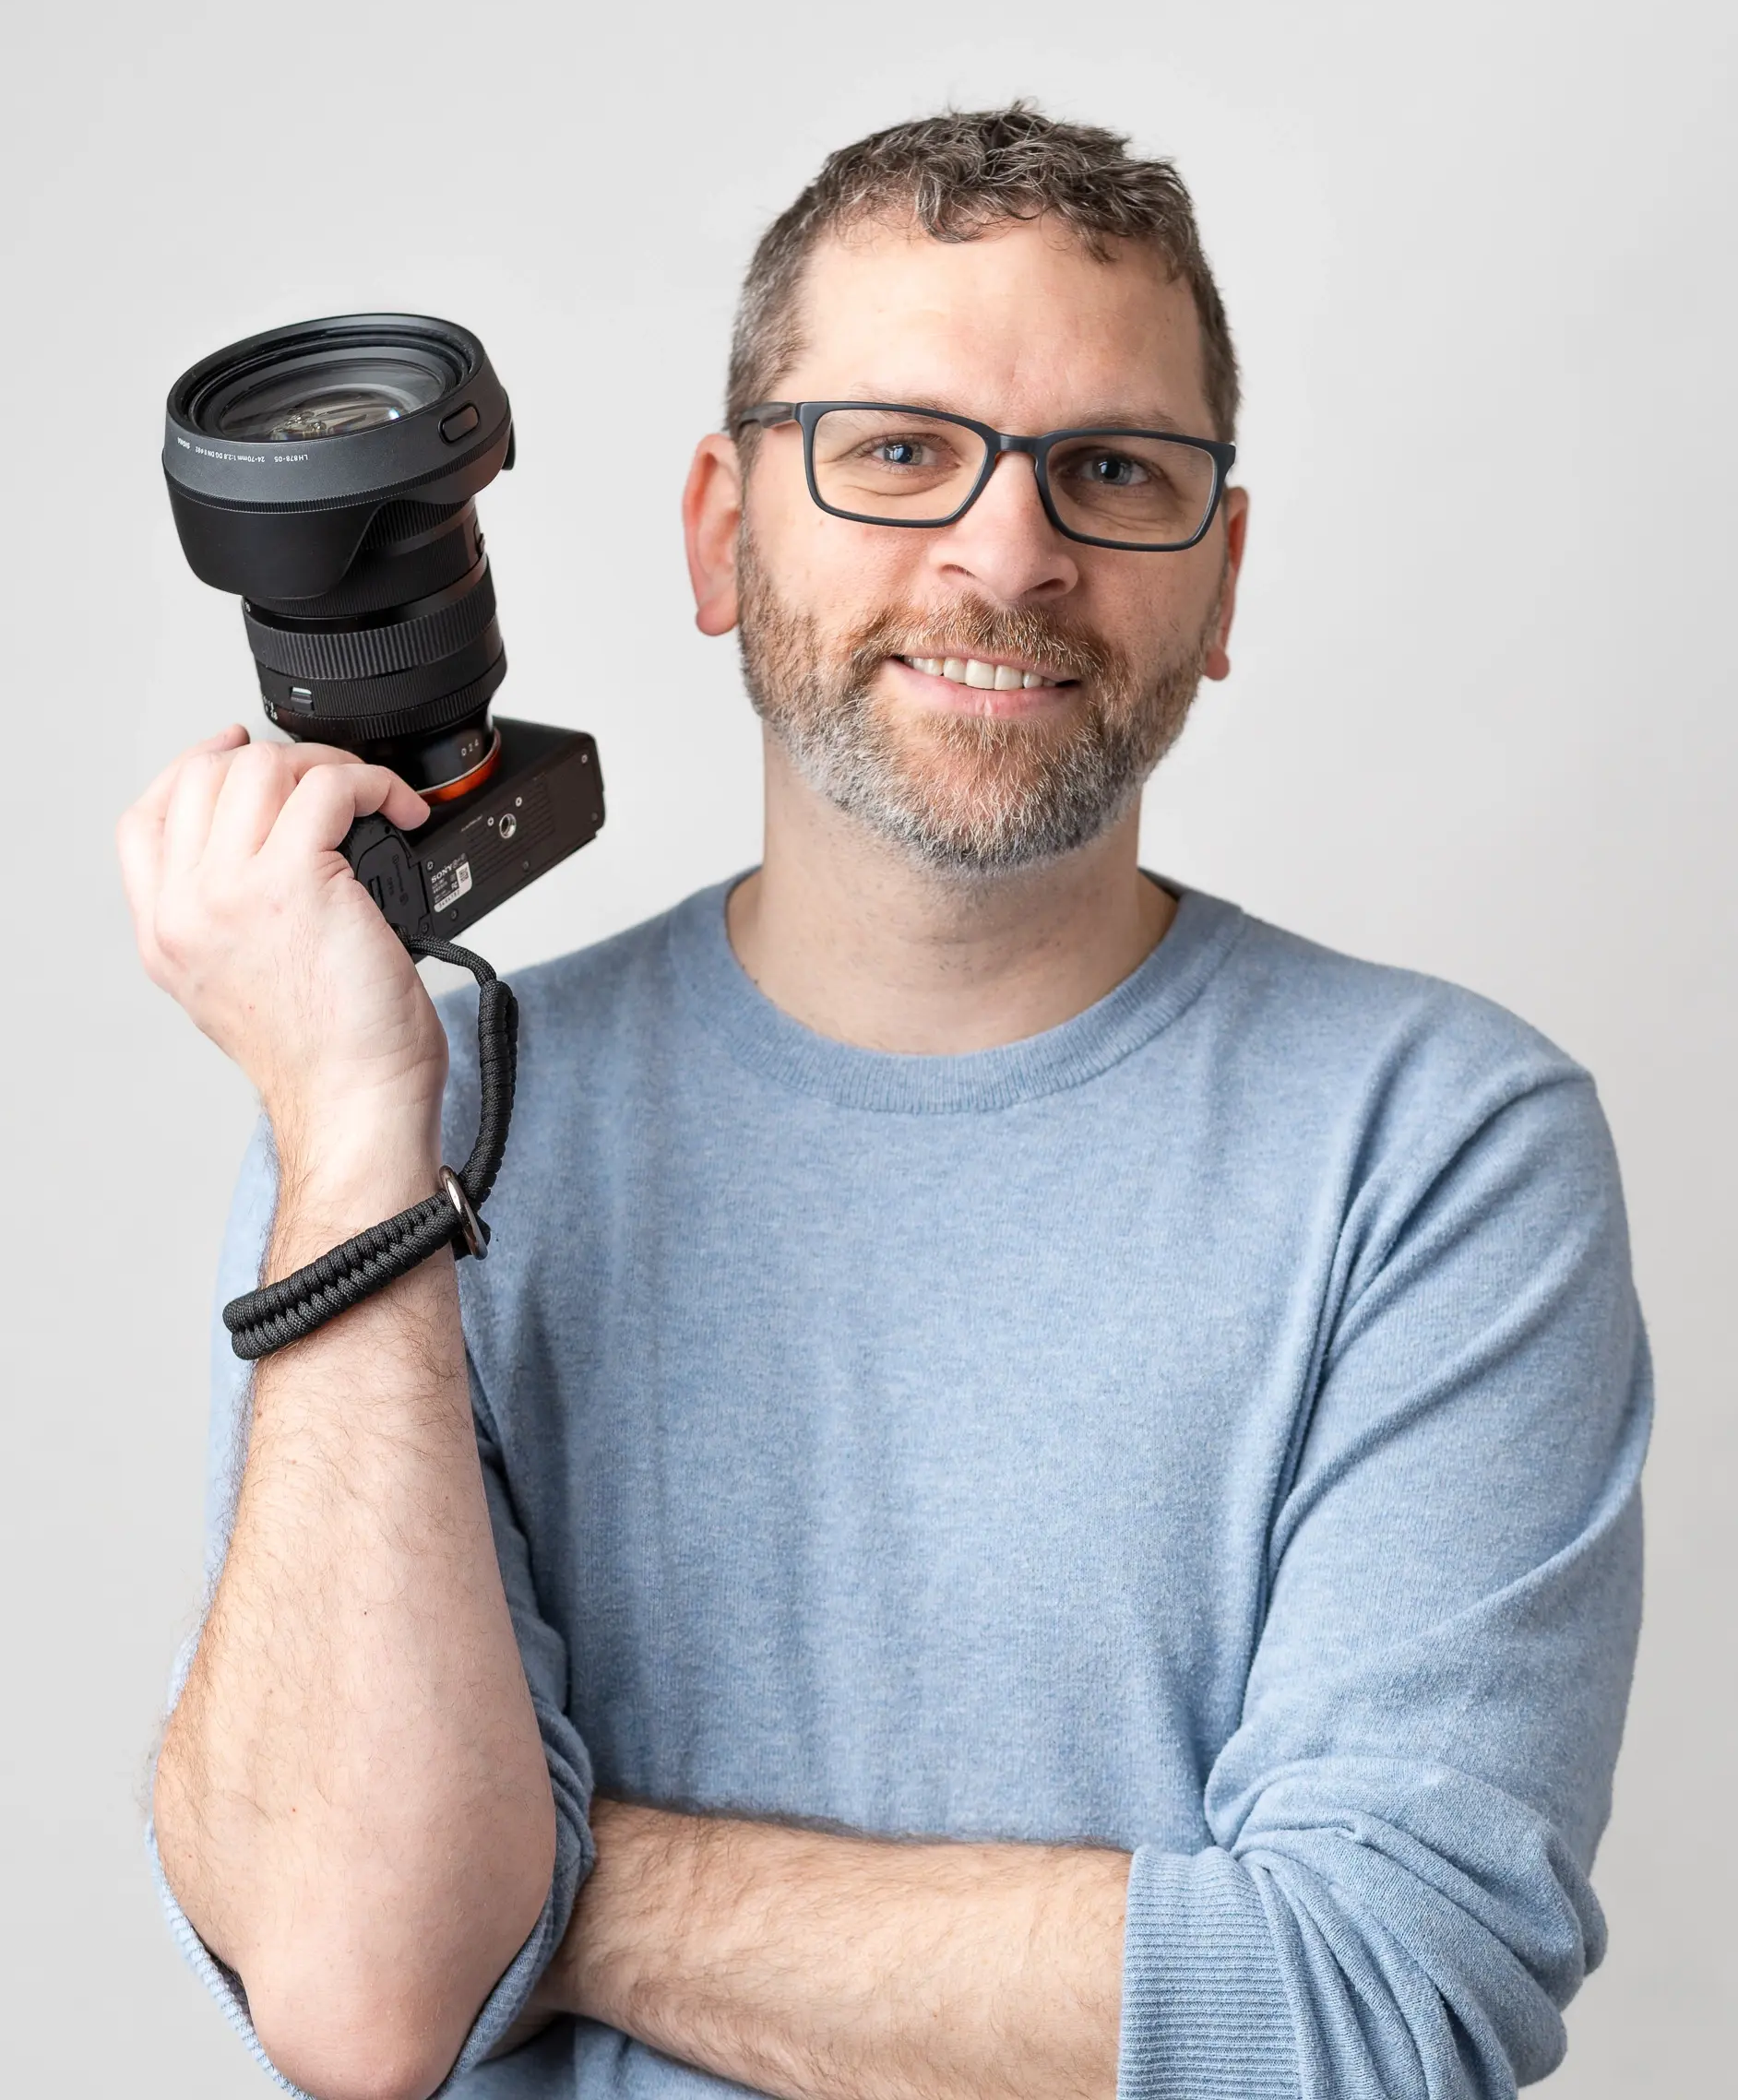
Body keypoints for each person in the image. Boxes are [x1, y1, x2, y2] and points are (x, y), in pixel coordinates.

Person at [119, 107, 1649, 2100]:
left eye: (1113, 470)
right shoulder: (411, 1126)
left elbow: (1366, 2014)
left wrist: (521, 1877)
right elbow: (359, 1996)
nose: (1007, 555)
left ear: (1222, 575)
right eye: (900, 450)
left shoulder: (1440, 1148)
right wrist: (340, 1122)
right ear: (716, 529)